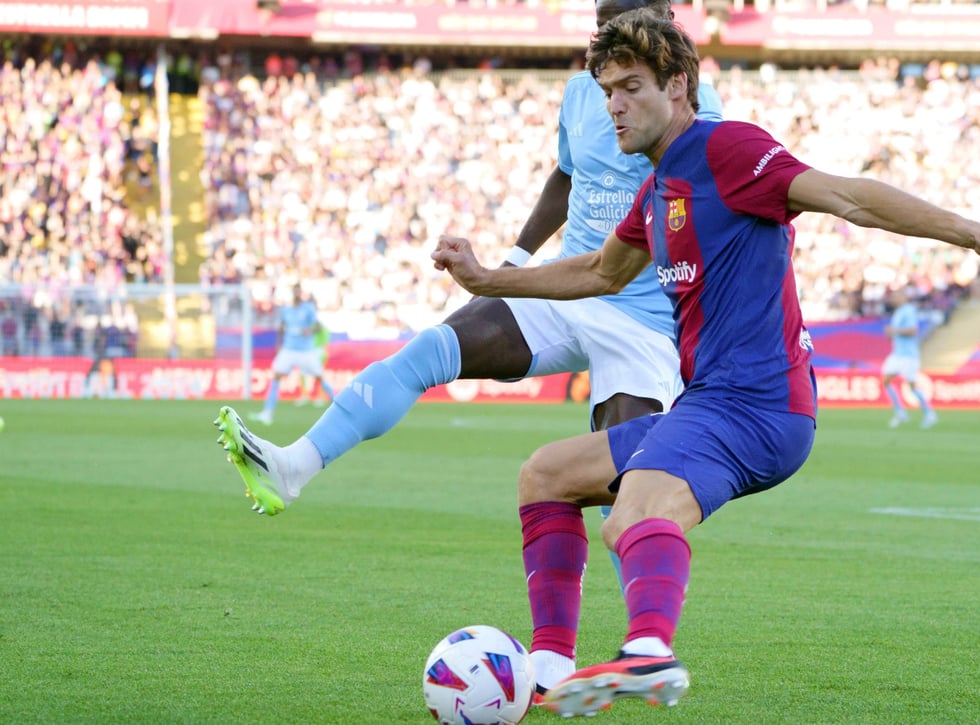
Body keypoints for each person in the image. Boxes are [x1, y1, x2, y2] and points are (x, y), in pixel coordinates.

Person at [430, 10, 980, 717]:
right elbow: (600, 272)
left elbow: (850, 196)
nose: (613, 105)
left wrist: (975, 232)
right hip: (715, 403)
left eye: (631, 87)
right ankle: (548, 670)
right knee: (546, 475)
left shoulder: (726, 148)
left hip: (756, 404)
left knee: (631, 513)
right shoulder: (659, 188)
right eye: (608, 90)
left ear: (678, 86)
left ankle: (649, 650)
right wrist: (490, 279)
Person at [213, 0, 723, 698]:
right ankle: (293, 465)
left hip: (642, 317)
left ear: (662, 21)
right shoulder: (586, 91)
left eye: (620, 22)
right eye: (599, 26)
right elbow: (567, 175)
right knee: (432, 348)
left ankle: (641, 651)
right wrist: (514, 258)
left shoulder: (695, 107)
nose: (605, 45)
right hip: (564, 286)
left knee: (624, 487)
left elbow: (710, 210)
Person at [249, 284, 335, 425]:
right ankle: (267, 414)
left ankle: (338, 404)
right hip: (288, 349)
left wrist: (310, 330)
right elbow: (282, 327)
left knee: (319, 378)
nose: (296, 294)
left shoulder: (308, 308)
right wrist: (278, 344)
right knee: (276, 376)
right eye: (295, 291)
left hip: (306, 351)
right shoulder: (286, 310)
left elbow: (318, 326)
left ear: (301, 293)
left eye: (298, 291)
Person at [881, 286, 937, 429]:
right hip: (897, 354)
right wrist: (890, 334)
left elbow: (913, 331)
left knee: (912, 387)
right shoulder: (898, 312)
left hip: (909, 355)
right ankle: (900, 412)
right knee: (886, 381)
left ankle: (929, 413)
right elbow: (895, 334)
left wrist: (894, 331)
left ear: (904, 297)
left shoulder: (909, 310)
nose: (893, 298)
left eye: (896, 296)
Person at [295, 322, 331, 407]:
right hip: (308, 352)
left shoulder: (320, 327)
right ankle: (304, 395)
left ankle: (320, 396)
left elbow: (320, 332)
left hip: (319, 353)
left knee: (318, 375)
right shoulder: (309, 326)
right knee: (302, 373)